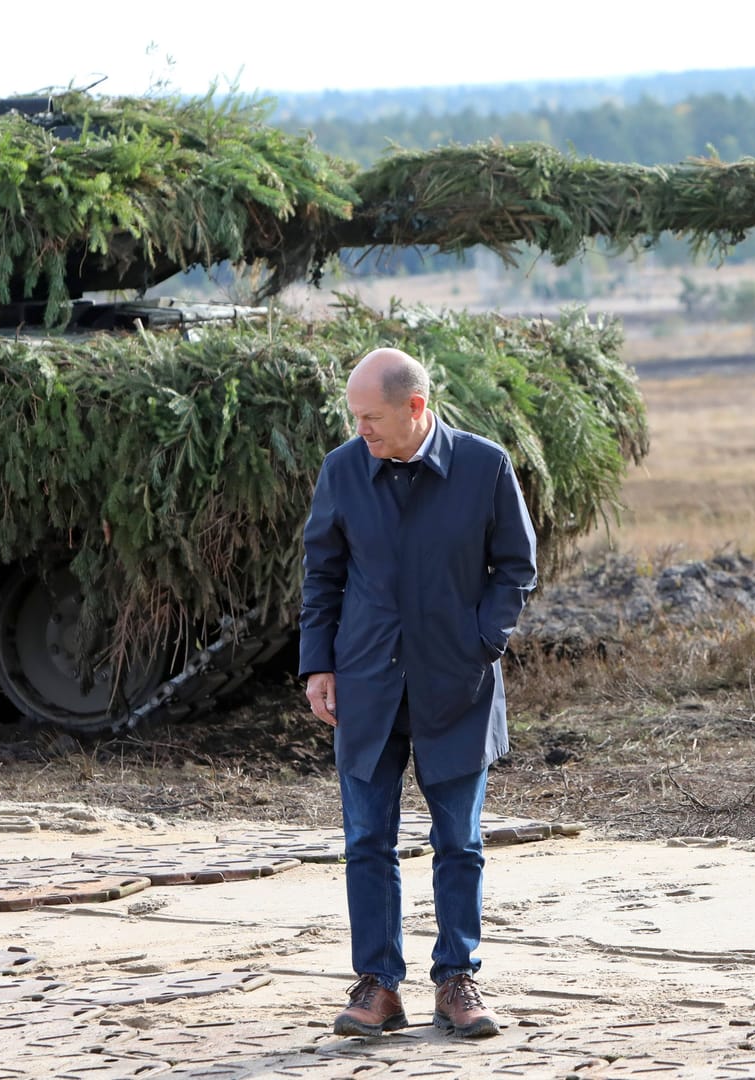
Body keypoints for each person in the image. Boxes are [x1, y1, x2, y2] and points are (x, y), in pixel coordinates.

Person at [299, 347, 538, 1039]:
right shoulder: (344, 470)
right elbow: (322, 576)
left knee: (458, 842)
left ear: (415, 407)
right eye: (355, 418)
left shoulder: (484, 465)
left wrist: (481, 642)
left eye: (371, 417)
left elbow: (516, 567)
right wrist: (320, 665)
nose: (361, 431)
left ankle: (457, 980)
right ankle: (377, 986)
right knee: (366, 840)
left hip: (456, 682)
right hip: (367, 684)